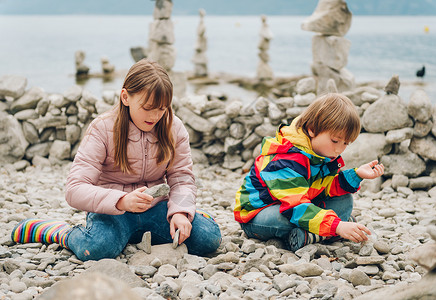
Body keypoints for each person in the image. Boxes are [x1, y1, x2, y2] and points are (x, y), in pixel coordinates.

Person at [11, 59, 221, 261]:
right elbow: (74, 189)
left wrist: (181, 213)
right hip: (113, 212)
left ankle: (186, 214)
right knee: (95, 248)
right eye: (148, 107)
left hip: (157, 209)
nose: (155, 116)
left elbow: (182, 178)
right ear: (125, 97)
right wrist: (121, 200)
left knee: (208, 238)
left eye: (162, 108)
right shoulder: (102, 128)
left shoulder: (174, 127)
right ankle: (59, 232)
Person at [234, 93, 384, 251]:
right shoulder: (286, 160)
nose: (339, 149)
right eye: (335, 140)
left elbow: (325, 187)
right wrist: (337, 225)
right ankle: (330, 230)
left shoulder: (321, 155)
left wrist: (357, 174)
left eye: (346, 143)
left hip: (297, 203)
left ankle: (313, 234)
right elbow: (295, 206)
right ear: (312, 130)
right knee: (285, 219)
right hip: (259, 215)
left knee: (345, 200)